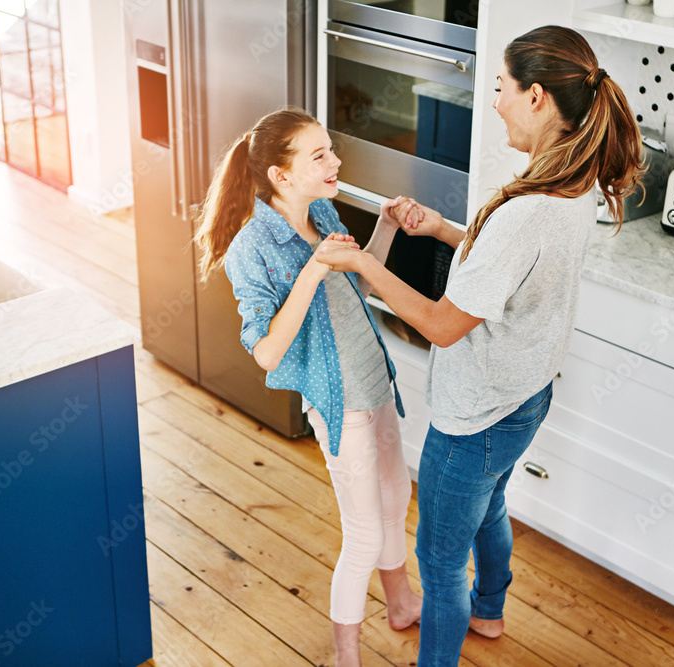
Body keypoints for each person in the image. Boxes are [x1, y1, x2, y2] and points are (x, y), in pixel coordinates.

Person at [316, 25, 644, 666]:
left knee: (439, 565)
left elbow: (442, 325)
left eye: (501, 88)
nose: (494, 101)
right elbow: (510, 267)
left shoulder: (530, 207)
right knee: (491, 504)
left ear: (538, 97)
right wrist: (443, 230)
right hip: (527, 394)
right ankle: (491, 610)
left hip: (477, 417)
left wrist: (366, 267)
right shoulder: (573, 179)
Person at [193, 107, 422, 666]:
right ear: (281, 174)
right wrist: (314, 269)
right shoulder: (254, 246)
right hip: (340, 403)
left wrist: (386, 228)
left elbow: (358, 279)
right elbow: (266, 349)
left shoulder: (319, 209)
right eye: (319, 154)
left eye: (330, 149)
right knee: (364, 534)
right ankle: (348, 658)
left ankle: (400, 604)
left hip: (375, 379)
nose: (335, 161)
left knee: (397, 501)